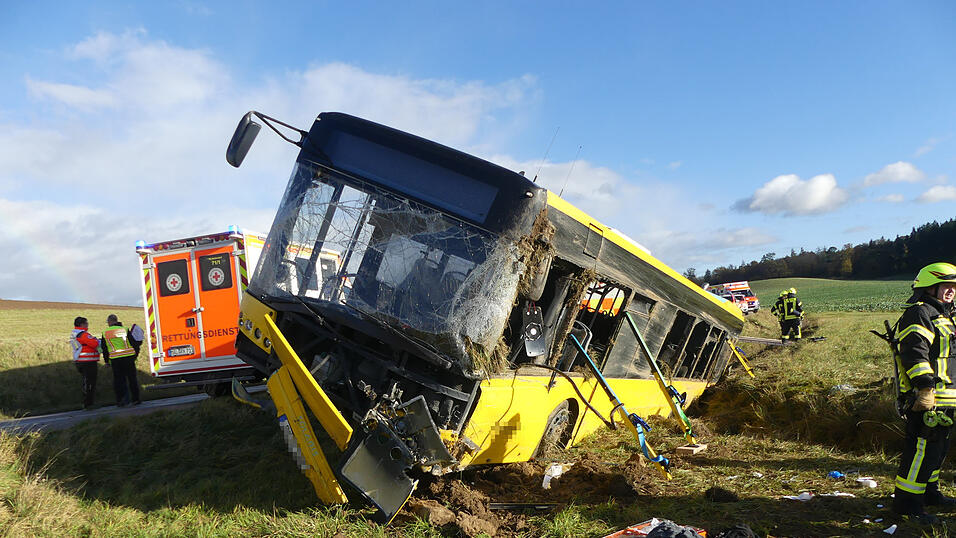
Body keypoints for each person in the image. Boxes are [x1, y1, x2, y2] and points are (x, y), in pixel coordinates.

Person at [892, 262, 956, 523]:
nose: (951, 291)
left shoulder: (946, 316)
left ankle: (929, 493)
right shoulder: (920, 314)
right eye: (946, 286)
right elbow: (914, 354)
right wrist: (925, 388)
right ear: (930, 287)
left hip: (948, 398)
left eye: (954, 286)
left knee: (937, 451)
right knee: (921, 451)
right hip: (928, 398)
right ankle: (907, 505)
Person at [100, 314, 142, 407]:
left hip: (115, 359)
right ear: (116, 320)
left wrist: (106, 361)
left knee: (118, 380)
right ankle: (136, 399)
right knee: (132, 379)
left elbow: (105, 348)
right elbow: (134, 343)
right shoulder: (125, 329)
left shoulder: (105, 333)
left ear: (109, 322)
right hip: (128, 358)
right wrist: (135, 355)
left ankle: (120, 400)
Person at [70, 316, 101, 409]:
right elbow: (95, 344)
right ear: (82, 324)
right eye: (86, 323)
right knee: (90, 383)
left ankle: (88, 403)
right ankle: (89, 404)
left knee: (86, 382)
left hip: (81, 361)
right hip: (87, 361)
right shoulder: (82, 334)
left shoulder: (74, 333)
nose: (88, 325)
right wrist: (97, 340)